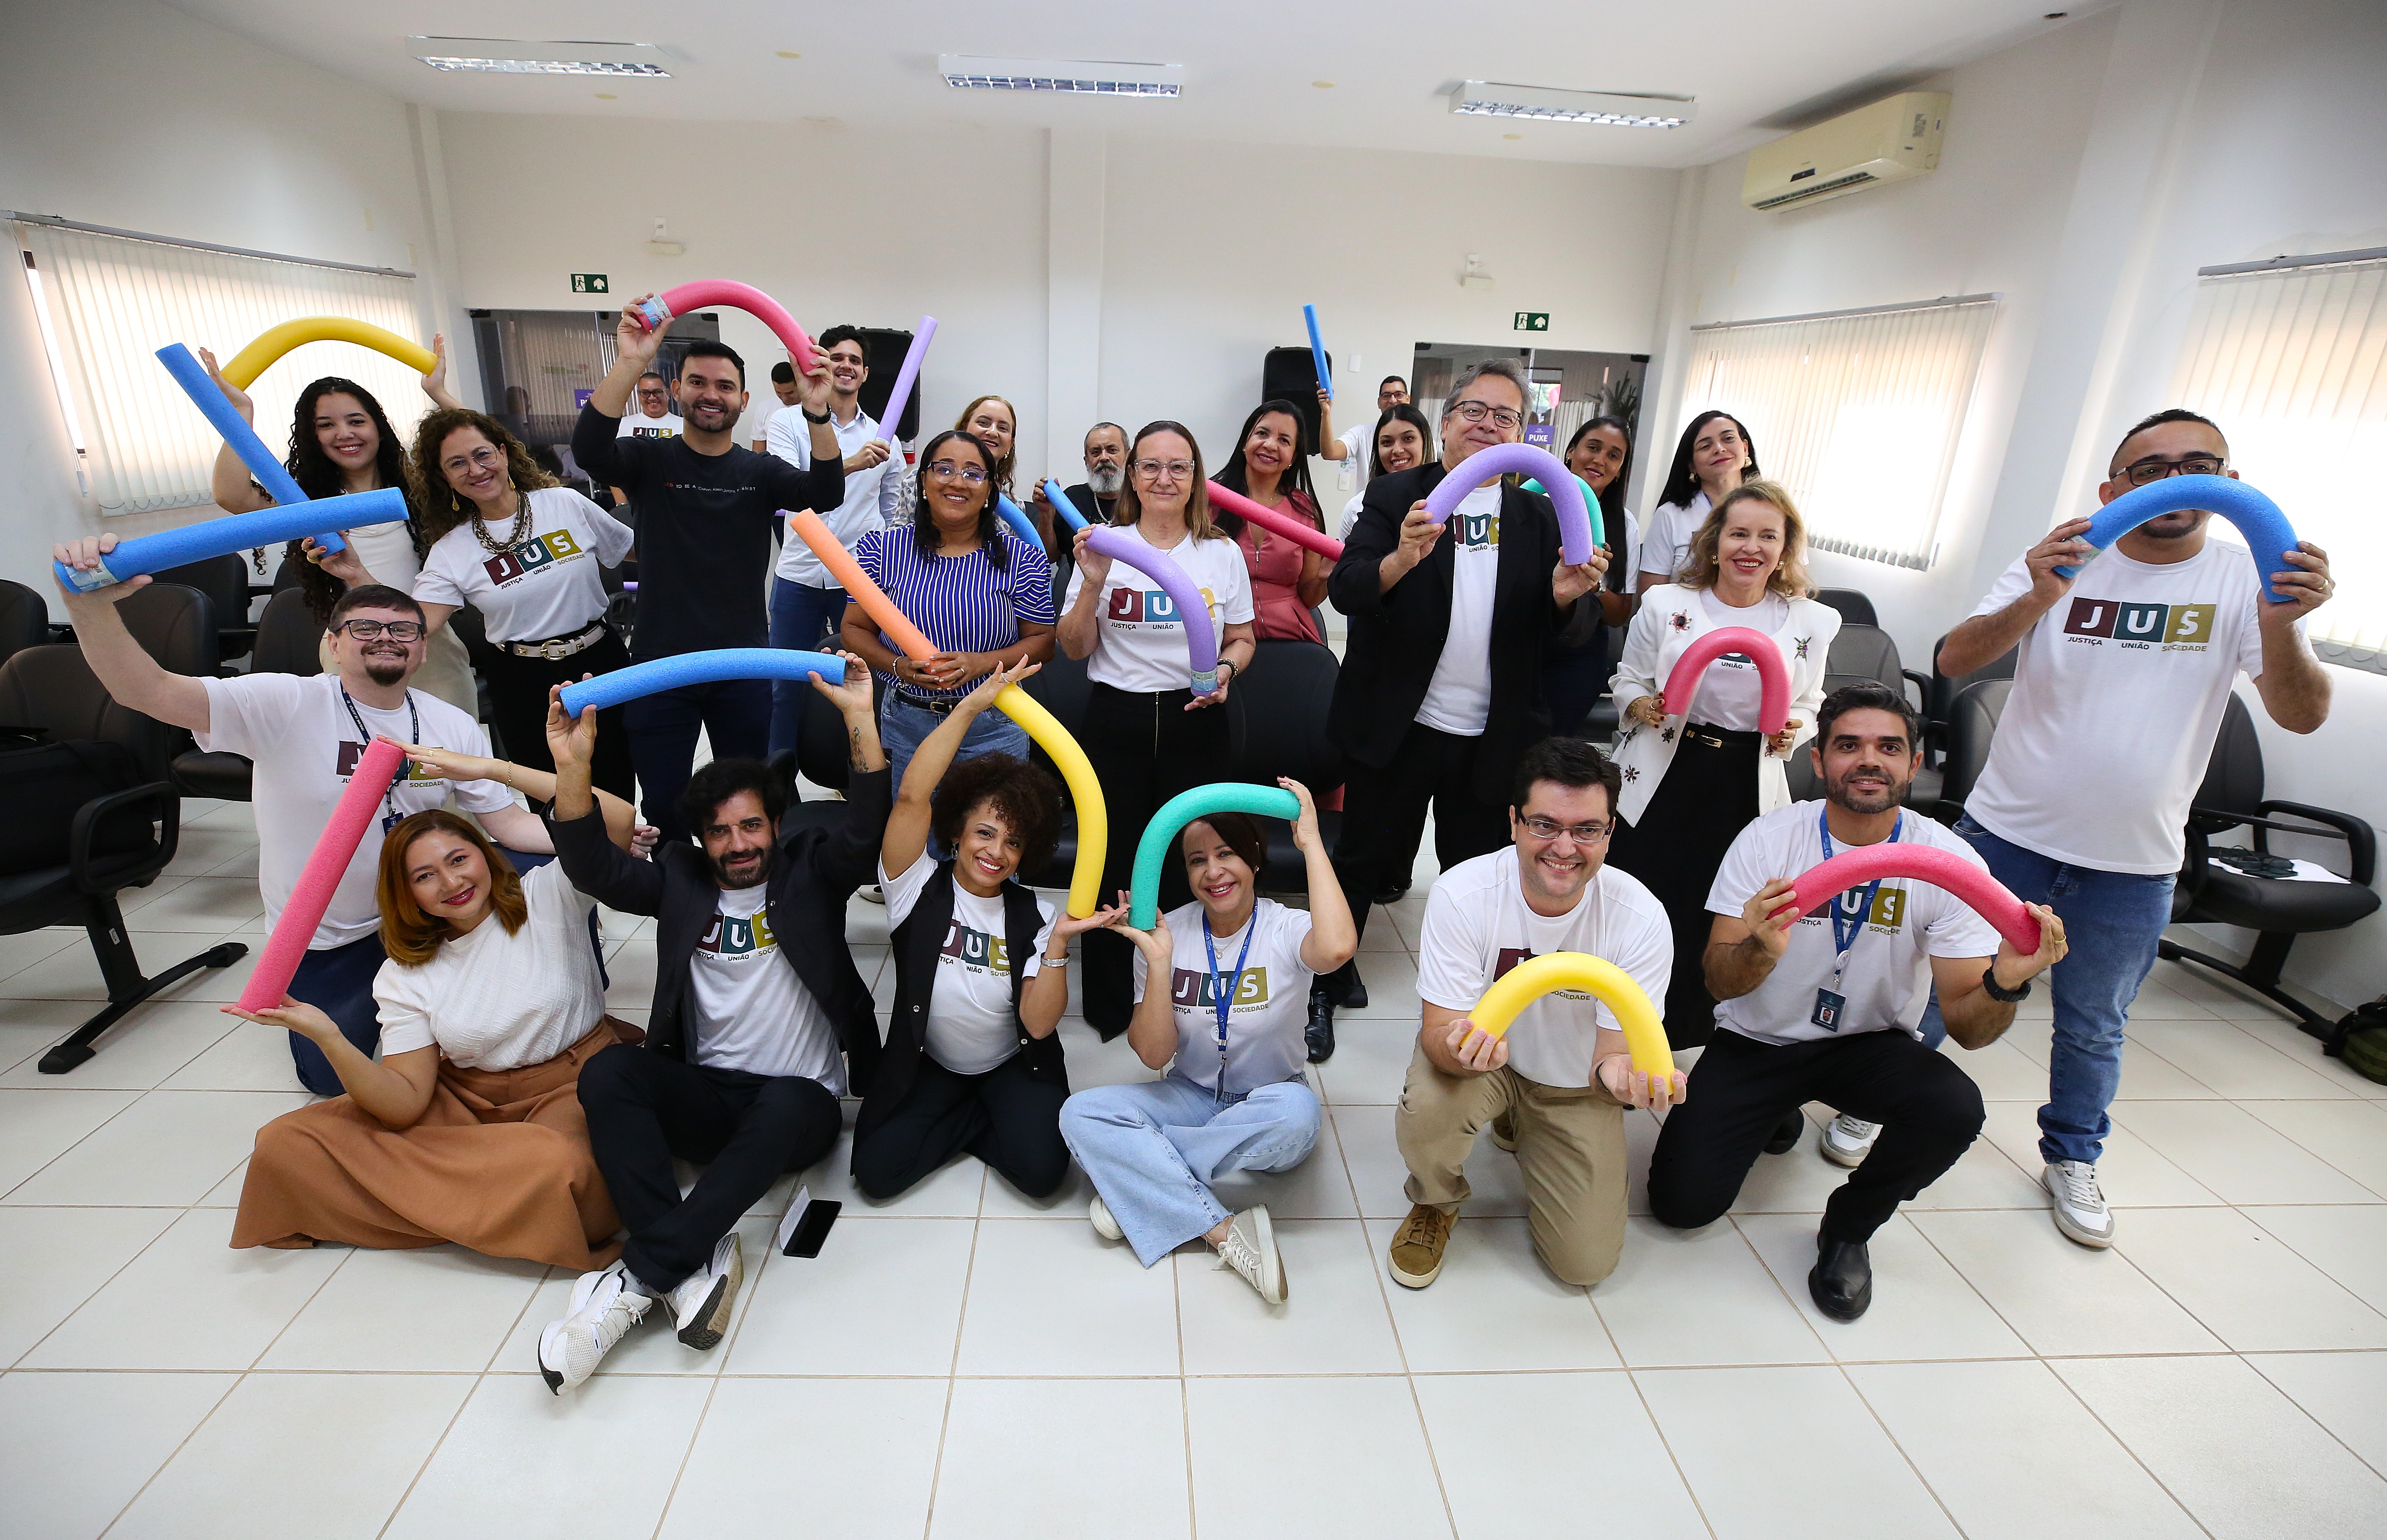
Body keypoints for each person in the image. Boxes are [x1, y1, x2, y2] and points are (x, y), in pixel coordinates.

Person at [1933, 407, 2333, 1249]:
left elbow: (2300, 714)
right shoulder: (2065, 557)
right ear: (2113, 490)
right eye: (2150, 469)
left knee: (2093, 1022)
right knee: (1935, 983)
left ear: (2227, 484)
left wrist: (2281, 627)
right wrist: (2039, 594)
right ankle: (1881, 1098)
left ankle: (2071, 1155)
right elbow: (1954, 659)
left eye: (2198, 464)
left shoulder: (2246, 577)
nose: (2175, 480)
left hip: (2133, 859)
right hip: (2005, 832)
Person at [51, 547, 551, 1093]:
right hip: (331, 935)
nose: (386, 637)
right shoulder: (284, 701)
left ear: (422, 648)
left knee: (548, 870)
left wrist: (593, 838)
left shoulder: (448, 722)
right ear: (333, 644)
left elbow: (505, 824)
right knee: (327, 1082)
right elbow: (148, 691)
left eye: (403, 630)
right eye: (364, 627)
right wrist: (90, 607)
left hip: (426, 917)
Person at [1647, 684, 2069, 1320]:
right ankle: (1775, 1110)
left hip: (1867, 1044)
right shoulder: (1767, 843)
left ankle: (1849, 1226)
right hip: (1760, 1041)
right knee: (1680, 1208)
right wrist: (1759, 949)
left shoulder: (1950, 861)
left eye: (1887, 748)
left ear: (1913, 763)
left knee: (1953, 1108)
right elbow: (1717, 982)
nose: (1867, 760)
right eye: (1848, 746)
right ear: (1818, 761)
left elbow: (1969, 1027)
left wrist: (2003, 982)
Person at [536, 657, 889, 1392]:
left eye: (752, 825)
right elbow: (592, 868)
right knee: (608, 1071)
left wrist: (859, 717)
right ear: (700, 839)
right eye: (721, 832)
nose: (738, 844)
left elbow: (867, 823)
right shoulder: (679, 879)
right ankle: (691, 1264)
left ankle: (630, 1286)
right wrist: (572, 765)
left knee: (794, 1098)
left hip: (798, 1105)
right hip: (707, 1096)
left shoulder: (811, 872)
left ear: (778, 825)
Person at [226, 800, 650, 1269]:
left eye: (458, 859)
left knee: (559, 1169)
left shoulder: (548, 892)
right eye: (424, 876)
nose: (451, 883)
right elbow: (405, 1101)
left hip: (577, 1088)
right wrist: (329, 1036)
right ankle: (497, 1210)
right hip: (471, 1100)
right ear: (406, 892)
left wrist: (495, 769)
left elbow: (616, 822)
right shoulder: (402, 973)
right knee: (286, 1142)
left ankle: (448, 1202)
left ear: (485, 855)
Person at [1318, 358, 1604, 1018]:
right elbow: (1345, 590)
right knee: (1361, 856)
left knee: (1477, 871)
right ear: (1445, 423)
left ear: (1521, 434)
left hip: (1492, 736)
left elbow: (1573, 630)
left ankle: (1469, 991)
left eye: (1505, 416)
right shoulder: (1395, 497)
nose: (1488, 424)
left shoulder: (1540, 516)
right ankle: (1329, 977)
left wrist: (1565, 598)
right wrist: (1399, 559)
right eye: (1474, 410)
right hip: (1398, 724)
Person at [1386, 738, 1680, 1292]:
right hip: (1485, 1065)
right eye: (1544, 825)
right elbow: (1437, 1034)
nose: (1564, 847)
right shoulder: (1462, 894)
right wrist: (1460, 1050)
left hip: (1572, 1085)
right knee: (1429, 1104)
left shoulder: (1639, 919)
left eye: (1585, 830)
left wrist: (1623, 1081)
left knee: (1584, 1267)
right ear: (1515, 822)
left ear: (1609, 831)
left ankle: (1524, 1125)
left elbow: (1611, 1059)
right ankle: (1435, 1201)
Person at [1060, 782, 1355, 1302]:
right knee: (1079, 1113)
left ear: (1255, 859)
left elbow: (1336, 947)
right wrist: (1157, 961)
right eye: (1198, 860)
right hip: (1189, 1095)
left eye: (1226, 854)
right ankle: (1220, 1229)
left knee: (1299, 1112)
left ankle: (1143, 1178)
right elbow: (1152, 1055)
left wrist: (1310, 840)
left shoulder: (1288, 927)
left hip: (1266, 1099)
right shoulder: (1166, 930)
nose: (1213, 871)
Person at [572, 298, 844, 844]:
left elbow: (825, 491)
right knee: (669, 804)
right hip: (658, 663)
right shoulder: (648, 460)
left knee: (746, 798)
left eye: (724, 386)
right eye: (698, 382)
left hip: (739, 662)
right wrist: (629, 362)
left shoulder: (759, 470)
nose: (711, 395)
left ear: (743, 400)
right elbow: (588, 448)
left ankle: (749, 901)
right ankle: (681, 904)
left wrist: (818, 412)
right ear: (678, 392)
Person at [855, 661, 1120, 1199]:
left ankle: (972, 1120)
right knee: (876, 1174)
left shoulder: (1037, 915)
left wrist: (1059, 945)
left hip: (1010, 1065)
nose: (995, 852)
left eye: (1013, 842)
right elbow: (910, 796)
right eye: (984, 832)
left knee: (1045, 1175)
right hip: (933, 1065)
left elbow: (1039, 1026)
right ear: (955, 830)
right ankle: (973, 1121)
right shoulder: (915, 885)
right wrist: (972, 704)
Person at [1609, 482, 1838, 1058]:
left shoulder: (1811, 621)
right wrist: (1639, 705)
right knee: (1644, 901)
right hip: (1665, 772)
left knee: (1718, 913)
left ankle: (1688, 1037)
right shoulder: (1666, 605)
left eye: (1768, 536)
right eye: (1739, 533)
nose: (1751, 547)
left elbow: (1810, 704)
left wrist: (1796, 728)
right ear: (1715, 543)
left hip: (1746, 783)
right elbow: (1627, 679)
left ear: (1785, 549)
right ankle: (1617, 1031)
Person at [311, 407, 637, 806]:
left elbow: (638, 552)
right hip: (523, 680)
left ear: (502, 453)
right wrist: (356, 574)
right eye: (457, 464)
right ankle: (564, 869)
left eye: (482, 455)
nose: (476, 470)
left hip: (599, 662)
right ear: (445, 478)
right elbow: (415, 622)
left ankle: (625, 865)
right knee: (549, 798)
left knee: (617, 783)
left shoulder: (566, 504)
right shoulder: (453, 549)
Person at [1057, 421, 1258, 1038]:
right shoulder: (1103, 545)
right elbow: (1072, 647)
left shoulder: (1220, 552)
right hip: (1115, 716)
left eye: (1178, 466)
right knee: (1110, 858)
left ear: (1196, 476)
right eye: (1150, 466)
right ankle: (1114, 1004)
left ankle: (1183, 995)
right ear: (1132, 476)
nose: (1164, 478)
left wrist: (1224, 668)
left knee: (1191, 857)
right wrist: (1092, 584)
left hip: (1194, 719)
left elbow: (1243, 638)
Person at [193, 345, 477, 717]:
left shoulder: (421, 485)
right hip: (353, 653)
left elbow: (479, 449)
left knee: (449, 764)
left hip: (431, 648)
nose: (345, 434)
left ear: (378, 425)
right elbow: (232, 495)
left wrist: (438, 393)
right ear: (313, 437)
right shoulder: (307, 503)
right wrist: (240, 415)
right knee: (368, 766)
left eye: (356, 421)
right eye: (326, 425)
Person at [840, 429, 1056, 791]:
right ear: (923, 480)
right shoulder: (881, 550)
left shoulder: (1022, 557)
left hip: (995, 723)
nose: (958, 482)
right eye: (944, 469)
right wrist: (899, 667)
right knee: (915, 842)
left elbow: (1044, 643)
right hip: (908, 722)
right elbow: (854, 630)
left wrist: (979, 664)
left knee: (992, 839)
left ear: (989, 490)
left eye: (974, 473)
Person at [767, 325, 906, 758]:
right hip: (800, 575)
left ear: (864, 374)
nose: (845, 365)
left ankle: (863, 775)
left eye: (854, 360)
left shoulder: (887, 438)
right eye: (836, 357)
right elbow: (786, 488)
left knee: (870, 682)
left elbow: (894, 514)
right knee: (785, 686)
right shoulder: (786, 421)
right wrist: (849, 463)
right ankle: (780, 785)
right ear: (820, 365)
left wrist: (889, 573)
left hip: (861, 582)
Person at [1540, 416, 1642, 736]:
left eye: (1614, 455)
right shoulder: (1530, 505)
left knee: (1552, 751)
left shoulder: (1624, 525)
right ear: (1571, 452)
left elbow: (1619, 615)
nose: (1600, 460)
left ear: (1620, 471)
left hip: (1578, 654)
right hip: (1519, 643)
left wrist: (1593, 584)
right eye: (1593, 448)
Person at [1213, 399, 1329, 643]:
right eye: (1262, 434)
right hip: (1222, 635)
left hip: (1291, 637)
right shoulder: (1209, 500)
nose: (1270, 445)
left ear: (1293, 457)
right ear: (1246, 442)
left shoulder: (1306, 510)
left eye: (1284, 440)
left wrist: (1325, 577)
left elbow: (1309, 597)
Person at [1637, 410, 1757, 593]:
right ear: (1692, 465)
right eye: (1705, 446)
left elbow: (1792, 588)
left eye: (1728, 439)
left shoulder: (1775, 510)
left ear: (1745, 448)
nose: (1719, 448)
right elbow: (1650, 599)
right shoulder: (1670, 516)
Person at [1336, 403, 1434, 541]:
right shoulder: (1357, 507)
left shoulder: (1444, 499)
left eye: (1408, 439)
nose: (1398, 450)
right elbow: (1347, 561)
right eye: (1387, 443)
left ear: (1425, 442)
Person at [1321, 375, 1412, 500]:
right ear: (1379, 402)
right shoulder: (1362, 433)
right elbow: (1330, 453)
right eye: (1386, 396)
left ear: (1408, 399)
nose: (1392, 400)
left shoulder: (1420, 435)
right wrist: (1326, 412)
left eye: (1399, 395)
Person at [1049, 421, 1128, 531]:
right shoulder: (1071, 499)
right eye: (1096, 452)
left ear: (1128, 457)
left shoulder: (1141, 498)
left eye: (1112, 450)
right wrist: (1046, 513)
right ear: (1087, 462)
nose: (1104, 458)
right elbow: (1047, 548)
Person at [751, 360, 800, 453]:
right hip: (774, 466)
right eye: (779, 392)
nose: (784, 399)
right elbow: (758, 451)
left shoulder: (815, 409)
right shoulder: (764, 408)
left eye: (790, 393)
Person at [619, 372, 683, 439]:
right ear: (639, 395)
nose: (652, 398)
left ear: (667, 393)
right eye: (645, 393)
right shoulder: (623, 425)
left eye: (657, 392)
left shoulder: (684, 426)